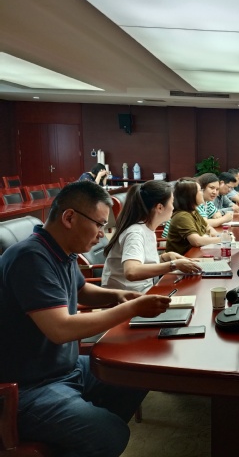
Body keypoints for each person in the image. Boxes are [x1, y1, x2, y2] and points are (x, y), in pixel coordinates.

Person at [0, 181, 172, 456]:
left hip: (65, 368)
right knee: (110, 435)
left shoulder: (61, 251)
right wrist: (132, 308)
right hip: (29, 387)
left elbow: (82, 290)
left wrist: (118, 296)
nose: (102, 234)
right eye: (99, 225)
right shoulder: (30, 257)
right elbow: (60, 329)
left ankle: (78, 433)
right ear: (69, 218)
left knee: (138, 373)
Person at [101, 181, 202, 293]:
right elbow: (131, 271)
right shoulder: (135, 233)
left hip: (144, 290)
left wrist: (165, 257)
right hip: (128, 298)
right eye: (172, 203)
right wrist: (173, 265)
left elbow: (142, 262)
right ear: (160, 207)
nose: (173, 207)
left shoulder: (147, 228)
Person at [165, 178, 221, 255]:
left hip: (195, 254)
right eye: (200, 190)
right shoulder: (182, 216)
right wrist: (222, 239)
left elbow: (208, 227)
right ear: (190, 195)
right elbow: (196, 241)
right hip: (184, 258)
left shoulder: (194, 211)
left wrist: (217, 235)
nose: (202, 193)